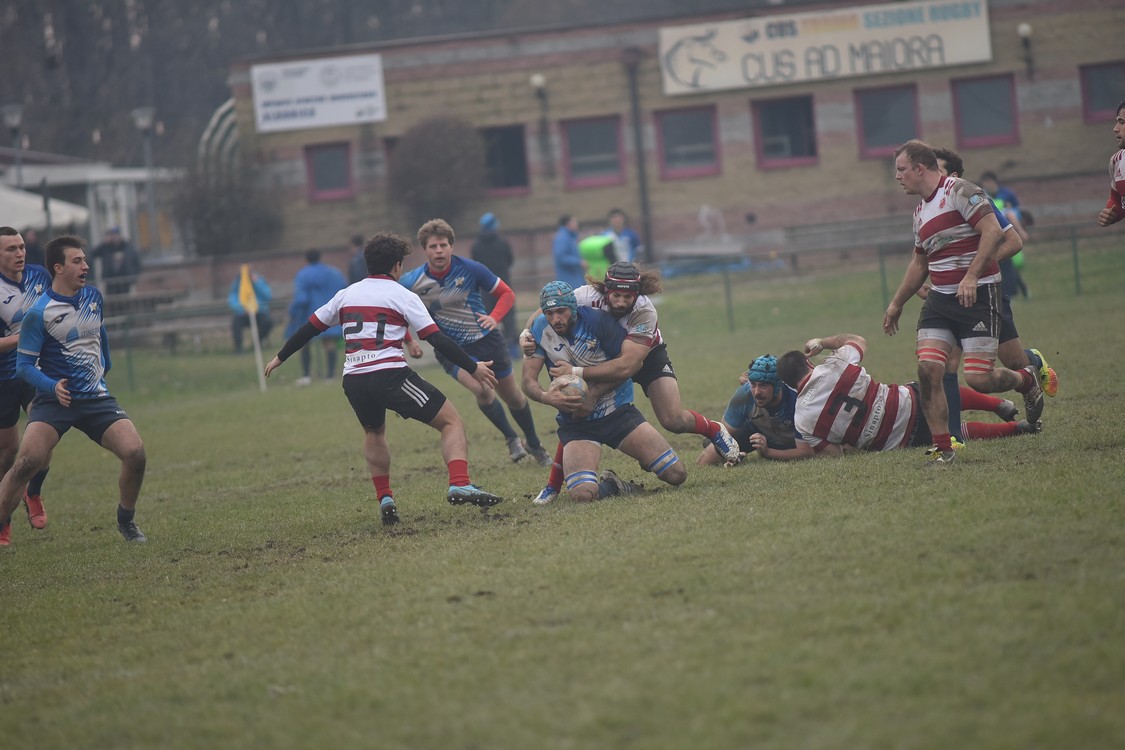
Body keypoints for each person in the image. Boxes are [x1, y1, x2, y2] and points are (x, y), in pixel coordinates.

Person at [264, 231, 504, 527]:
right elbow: (437, 339)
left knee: (374, 432)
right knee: (451, 422)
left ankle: (385, 498)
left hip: (354, 380)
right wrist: (473, 367)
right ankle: (460, 483)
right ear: (396, 266)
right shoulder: (402, 295)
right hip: (389, 375)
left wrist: (280, 357)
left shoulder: (346, 294)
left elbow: (309, 328)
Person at [519, 261, 740, 502]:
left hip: (645, 356)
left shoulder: (645, 311)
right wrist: (526, 334)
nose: (621, 302)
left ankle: (713, 430)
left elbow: (628, 365)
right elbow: (548, 307)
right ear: (606, 291)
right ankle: (557, 485)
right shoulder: (585, 296)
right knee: (575, 407)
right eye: (616, 295)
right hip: (601, 360)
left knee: (673, 419)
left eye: (628, 297)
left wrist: (577, 373)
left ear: (637, 294)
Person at [883, 139, 1044, 463]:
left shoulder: (960, 191)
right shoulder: (920, 212)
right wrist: (896, 303)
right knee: (928, 369)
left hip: (979, 294)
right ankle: (944, 448)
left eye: (901, 169)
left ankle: (1026, 379)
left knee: (979, 379)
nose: (897, 176)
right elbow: (919, 264)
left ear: (919, 168)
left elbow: (993, 232)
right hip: (940, 301)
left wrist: (971, 276)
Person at [0, 234, 148, 545]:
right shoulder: (39, 313)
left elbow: (99, 334)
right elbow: (23, 367)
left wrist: (103, 368)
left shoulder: (94, 296)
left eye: (84, 259)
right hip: (53, 401)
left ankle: (127, 521)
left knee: (135, 453)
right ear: (59, 268)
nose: (85, 266)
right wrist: (52, 386)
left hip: (95, 398)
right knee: (26, 463)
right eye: (77, 261)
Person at [929, 147, 1058, 442]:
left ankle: (1033, 362)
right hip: (951, 300)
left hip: (986, 294)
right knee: (947, 364)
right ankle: (952, 439)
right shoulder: (930, 208)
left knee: (1012, 361)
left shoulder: (974, 201)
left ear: (954, 176)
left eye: (937, 169)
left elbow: (1014, 241)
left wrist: (976, 271)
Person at [521, 281, 687, 502]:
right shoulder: (540, 329)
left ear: (573, 308)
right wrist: (546, 397)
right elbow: (528, 380)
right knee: (582, 495)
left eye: (561, 311)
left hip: (618, 414)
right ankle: (614, 487)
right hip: (578, 425)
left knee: (676, 474)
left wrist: (593, 394)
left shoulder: (598, 322)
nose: (556, 319)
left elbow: (630, 366)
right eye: (549, 313)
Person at [400, 219, 550, 464]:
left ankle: (534, 443)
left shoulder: (471, 269)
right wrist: (408, 341)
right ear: (424, 250)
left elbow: (506, 293)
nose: (439, 251)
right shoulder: (411, 282)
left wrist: (494, 317)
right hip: (451, 349)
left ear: (451, 246)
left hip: (487, 341)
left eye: (443, 245)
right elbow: (395, 311)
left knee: (512, 396)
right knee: (482, 390)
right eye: (433, 246)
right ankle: (511, 437)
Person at [774, 334, 1041, 459]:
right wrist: (822, 343)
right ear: (808, 363)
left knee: (957, 432)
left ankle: (1018, 429)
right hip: (908, 402)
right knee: (935, 392)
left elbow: (834, 454)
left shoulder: (802, 421)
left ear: (788, 385)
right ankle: (999, 404)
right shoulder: (835, 364)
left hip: (899, 440)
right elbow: (858, 340)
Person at [0, 227, 53, 538]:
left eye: (21, 247)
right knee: (8, 454)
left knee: (45, 432)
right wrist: (23, 338)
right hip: (3, 378)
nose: (20, 253)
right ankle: (3, 517)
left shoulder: (39, 276)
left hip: (34, 370)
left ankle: (33, 492)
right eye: (11, 249)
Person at [696, 354, 812, 464]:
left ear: (777, 386)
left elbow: (807, 452)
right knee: (713, 443)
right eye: (753, 384)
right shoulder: (745, 395)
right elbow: (722, 437)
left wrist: (768, 452)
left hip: (793, 441)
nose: (756, 392)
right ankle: (737, 455)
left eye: (763, 385)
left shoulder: (798, 401)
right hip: (760, 432)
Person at [288, 249, 347, 384]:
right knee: (329, 343)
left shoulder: (303, 275)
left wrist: (293, 312)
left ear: (306, 260)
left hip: (310, 315)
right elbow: (343, 289)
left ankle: (306, 376)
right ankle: (330, 375)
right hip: (331, 314)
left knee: (304, 343)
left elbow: (301, 299)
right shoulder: (334, 272)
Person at [470, 212, 519, 350]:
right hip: (503, 284)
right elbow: (510, 260)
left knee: (487, 317)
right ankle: (512, 348)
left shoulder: (476, 245)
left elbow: (475, 263)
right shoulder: (503, 242)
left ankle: (490, 348)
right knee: (508, 317)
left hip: (484, 288)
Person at [979, 171, 1031, 299]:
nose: (987, 185)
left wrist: (1020, 231)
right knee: (1004, 266)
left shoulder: (1006, 195)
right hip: (994, 236)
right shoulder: (981, 196)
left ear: (994, 182)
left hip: (1007, 235)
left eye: (988, 182)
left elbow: (1014, 213)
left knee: (1012, 264)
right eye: (985, 183)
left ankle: (1013, 292)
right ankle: (1013, 292)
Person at [228, 265, 273, 353]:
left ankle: (258, 342)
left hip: (259, 311)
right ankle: (239, 347)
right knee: (235, 322)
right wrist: (243, 308)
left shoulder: (259, 280)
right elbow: (233, 298)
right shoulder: (237, 283)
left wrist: (257, 282)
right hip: (243, 313)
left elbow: (267, 296)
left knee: (268, 322)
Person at [1096, 98, 1125, 228]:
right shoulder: (1117, 161)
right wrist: (1112, 213)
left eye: (1122, 122)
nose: (1115, 129)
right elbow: (1117, 200)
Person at [90, 227, 141, 295]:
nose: (115, 237)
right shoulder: (106, 247)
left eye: (116, 234)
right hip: (110, 282)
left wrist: (133, 277)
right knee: (112, 300)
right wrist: (104, 243)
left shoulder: (127, 247)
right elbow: (93, 254)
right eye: (113, 235)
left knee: (125, 299)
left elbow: (137, 263)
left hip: (125, 282)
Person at [551, 215, 585, 289]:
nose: (577, 224)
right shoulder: (562, 238)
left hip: (576, 278)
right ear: (568, 224)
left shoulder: (571, 237)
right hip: (569, 281)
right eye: (574, 222)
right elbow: (560, 257)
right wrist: (578, 262)